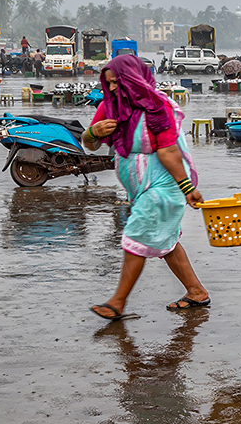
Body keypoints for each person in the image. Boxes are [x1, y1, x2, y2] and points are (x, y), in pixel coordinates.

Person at [82, 55, 210, 320]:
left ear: (133, 79)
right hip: (141, 189)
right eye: (110, 83)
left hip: (165, 184)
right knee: (167, 241)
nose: (114, 88)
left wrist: (187, 188)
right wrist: (93, 133)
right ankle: (196, 291)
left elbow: (168, 152)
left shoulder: (156, 106)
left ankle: (117, 302)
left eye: (118, 82)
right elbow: (90, 144)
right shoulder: (110, 106)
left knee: (137, 233)